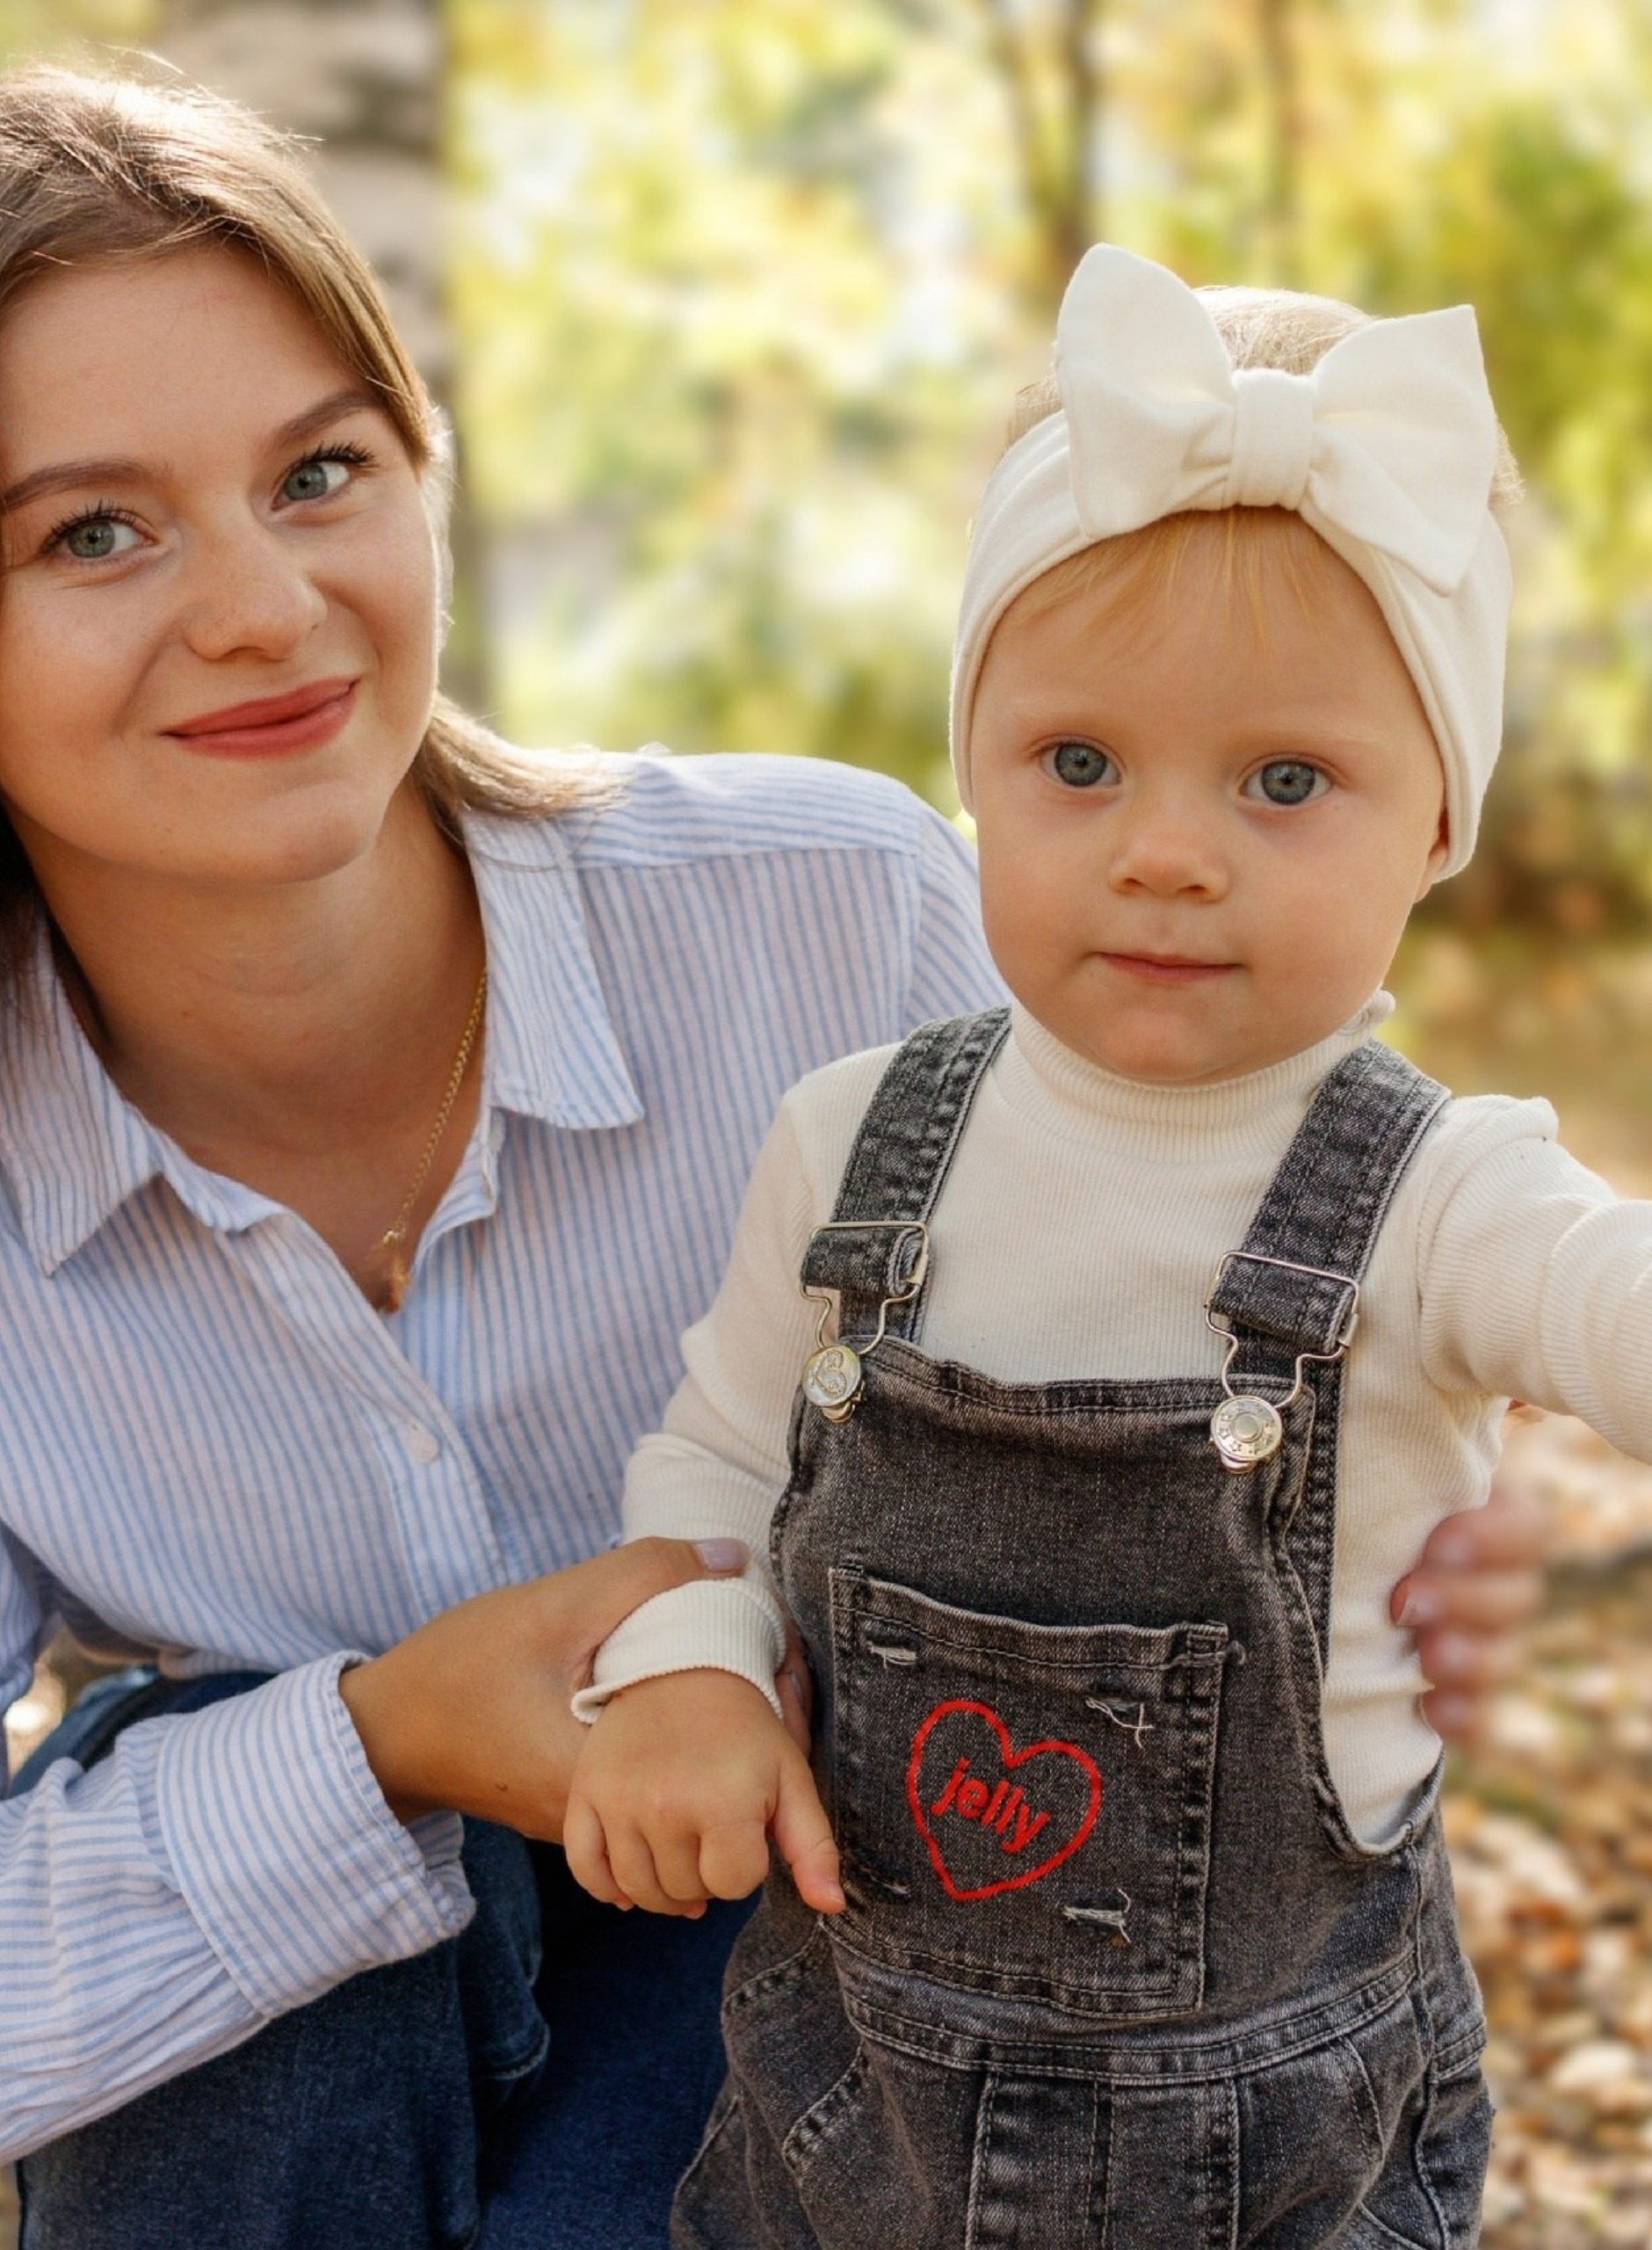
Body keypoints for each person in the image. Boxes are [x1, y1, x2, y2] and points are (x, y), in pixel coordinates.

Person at [0, 70, 1544, 2250]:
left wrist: (1401, 1525)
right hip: (299, 2122)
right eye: (94, 530)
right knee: (213, 1827)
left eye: (319, 473)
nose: (265, 605)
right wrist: (380, 1742)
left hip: (885, 2020)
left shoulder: (836, 921)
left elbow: (1290, 1267)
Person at [566, 244, 1652, 2246]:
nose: (1165, 848)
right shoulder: (849, 1139)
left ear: (1434, 823)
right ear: (973, 773)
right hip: (840, 2127)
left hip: (1270, 2164)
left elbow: (1610, 1297)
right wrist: (682, 1664)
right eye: (1076, 763)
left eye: (1283, 779)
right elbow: (710, 1470)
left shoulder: (1432, 1195)